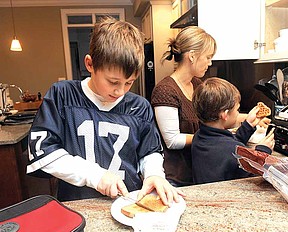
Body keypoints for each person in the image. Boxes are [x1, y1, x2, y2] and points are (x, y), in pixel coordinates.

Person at [26, 17, 182, 205]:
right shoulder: (63, 95)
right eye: (113, 82)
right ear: (90, 64)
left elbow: (149, 151)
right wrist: (95, 175)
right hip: (78, 205)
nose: (120, 91)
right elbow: (44, 152)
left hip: (127, 201)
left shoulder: (140, 107)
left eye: (129, 83)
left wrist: (154, 174)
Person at [151, 26, 217, 187]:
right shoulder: (165, 90)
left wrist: (247, 119)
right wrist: (211, 137)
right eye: (208, 57)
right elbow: (172, 140)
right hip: (176, 177)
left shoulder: (197, 84)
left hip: (196, 169)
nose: (210, 62)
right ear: (192, 56)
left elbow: (214, 115)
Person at [191, 77, 275, 184]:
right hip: (224, 197)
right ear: (225, 115)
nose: (238, 113)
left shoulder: (199, 136)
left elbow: (228, 146)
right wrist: (262, 151)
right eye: (237, 109)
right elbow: (254, 176)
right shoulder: (231, 149)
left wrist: (248, 125)